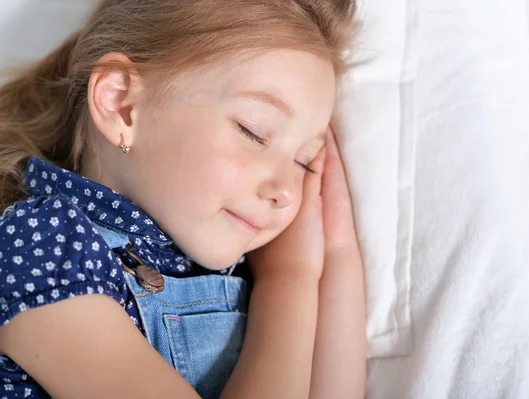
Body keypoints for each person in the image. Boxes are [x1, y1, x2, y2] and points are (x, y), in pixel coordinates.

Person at [0, 1, 366, 398]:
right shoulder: (40, 247)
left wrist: (337, 253)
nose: (286, 191)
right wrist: (288, 280)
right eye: (253, 131)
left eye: (304, 162)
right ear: (121, 104)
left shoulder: (232, 266)